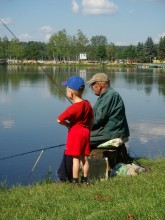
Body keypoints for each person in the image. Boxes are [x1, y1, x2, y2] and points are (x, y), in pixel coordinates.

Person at [57, 76, 94, 185]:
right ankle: (85, 180)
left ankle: (75, 181)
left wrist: (68, 124)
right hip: (85, 132)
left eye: (66, 89)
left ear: (71, 93)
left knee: (76, 159)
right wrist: (89, 130)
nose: (66, 91)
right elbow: (91, 119)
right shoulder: (87, 104)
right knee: (85, 158)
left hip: (75, 133)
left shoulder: (72, 108)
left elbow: (59, 119)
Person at [86, 73, 130, 164]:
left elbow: (98, 119)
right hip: (108, 130)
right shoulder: (105, 96)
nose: (92, 87)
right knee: (80, 136)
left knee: (80, 139)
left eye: (92, 85)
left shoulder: (110, 96)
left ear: (99, 84)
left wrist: (83, 123)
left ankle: (68, 174)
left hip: (111, 132)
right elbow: (96, 116)